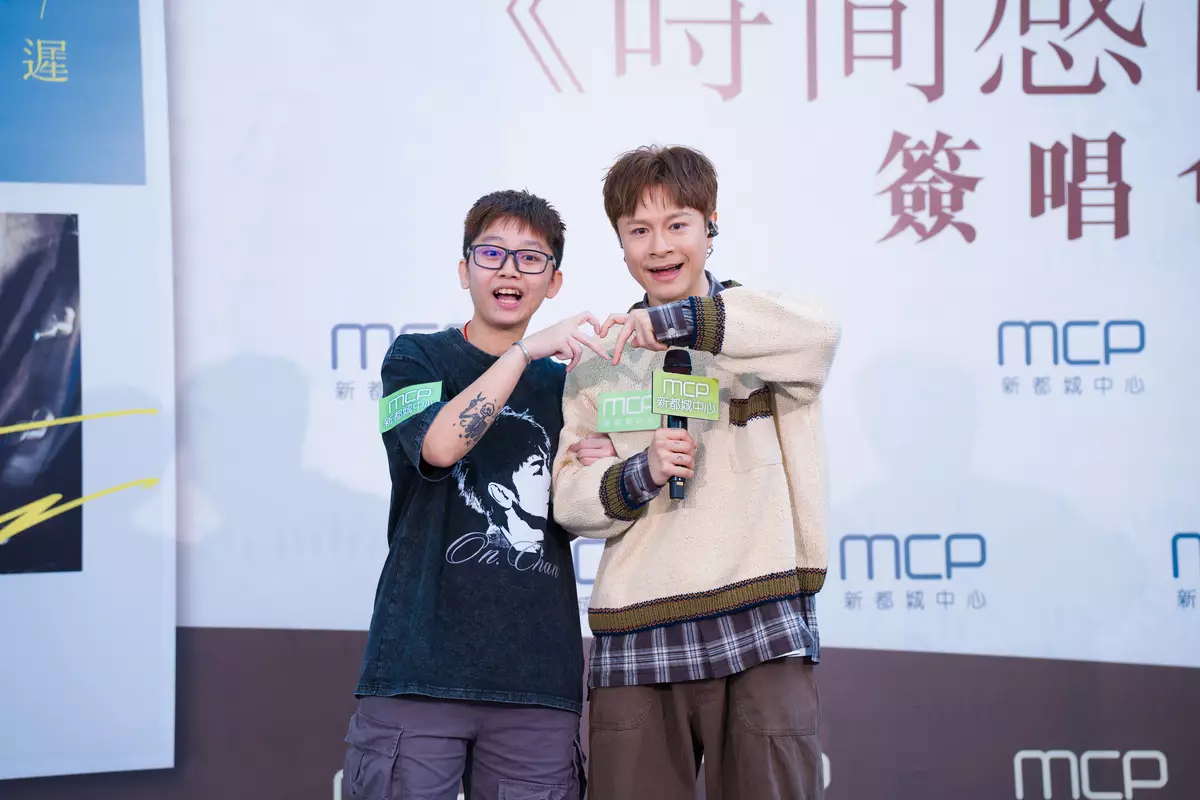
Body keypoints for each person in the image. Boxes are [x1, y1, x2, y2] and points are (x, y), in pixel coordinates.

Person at [551, 145, 841, 799]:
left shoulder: (765, 328)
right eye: (639, 230)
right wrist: (639, 471)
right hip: (638, 628)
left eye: (677, 224)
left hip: (763, 619)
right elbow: (569, 499)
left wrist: (677, 324)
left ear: (711, 226)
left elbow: (821, 336)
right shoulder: (600, 359)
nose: (659, 246)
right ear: (620, 243)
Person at [342, 189, 615, 800]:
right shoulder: (416, 358)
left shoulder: (571, 388)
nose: (509, 271)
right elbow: (440, 447)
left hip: (536, 679)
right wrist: (524, 352)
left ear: (554, 281)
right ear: (465, 270)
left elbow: (583, 511)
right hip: (418, 668)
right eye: (492, 253)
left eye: (530, 258)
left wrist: (605, 462)